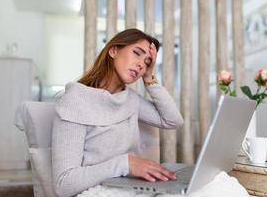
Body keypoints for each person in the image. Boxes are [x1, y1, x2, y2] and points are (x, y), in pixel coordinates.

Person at [52, 28, 184, 197]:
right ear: (113, 50)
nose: (141, 64)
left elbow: (173, 120)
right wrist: (125, 164)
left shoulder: (130, 99)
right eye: (137, 53)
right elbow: (64, 184)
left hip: (130, 188)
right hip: (94, 192)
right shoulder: (76, 100)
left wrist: (150, 78)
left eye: (147, 62)